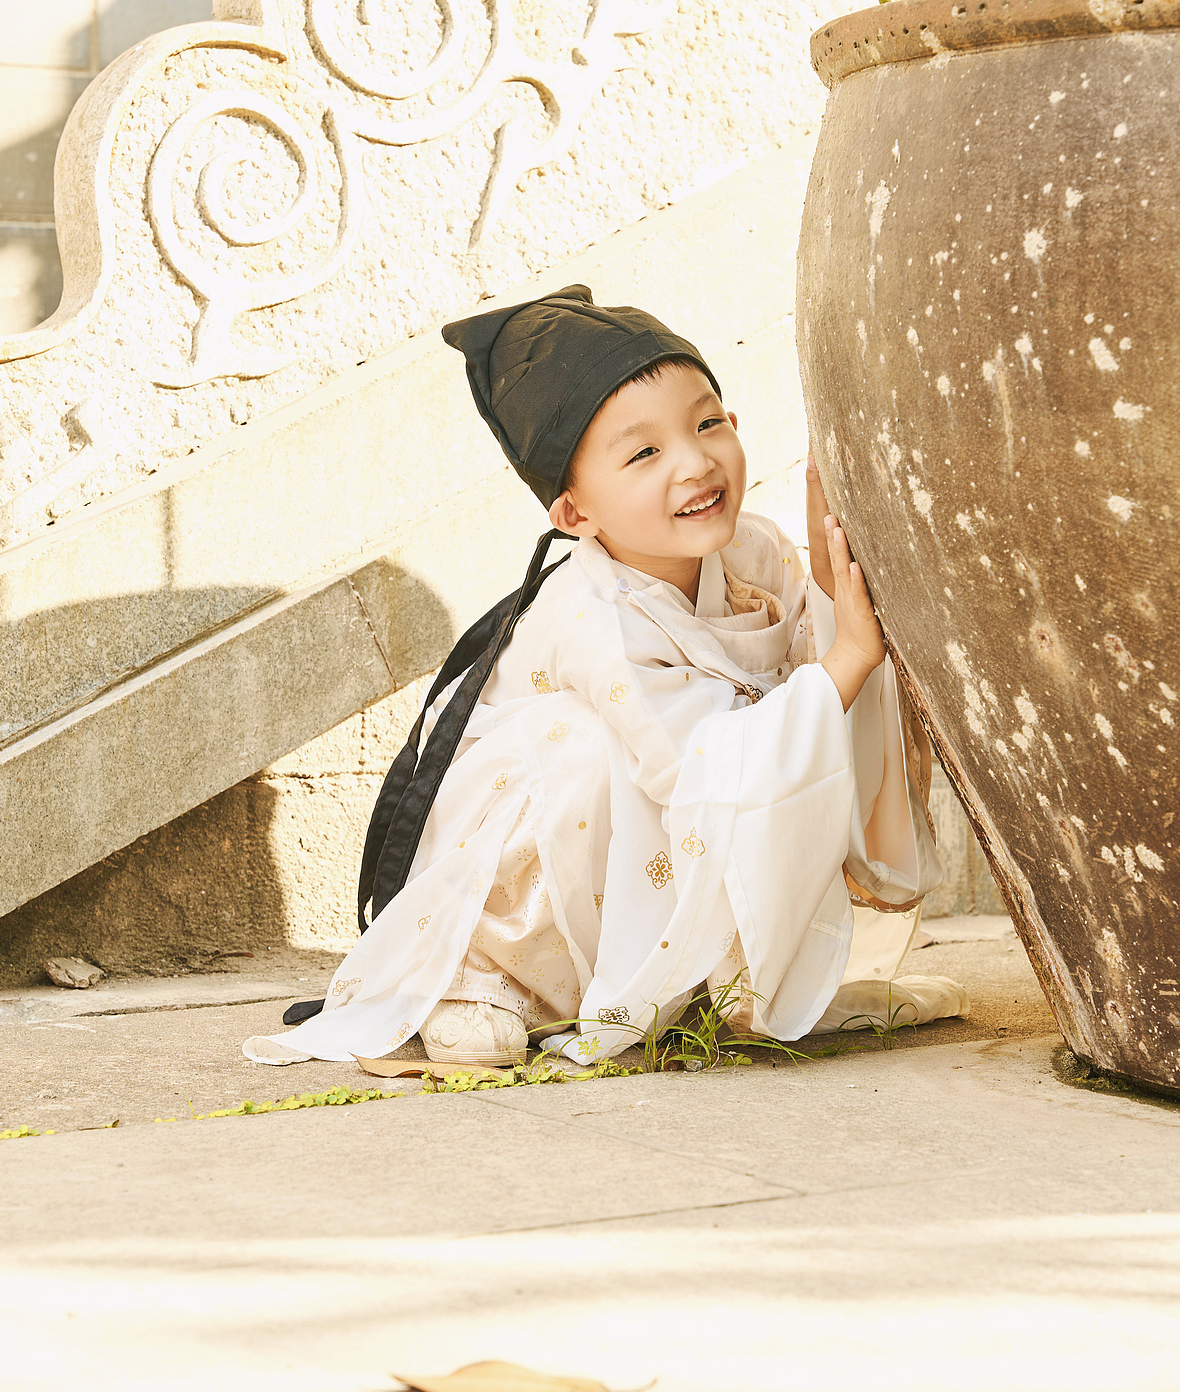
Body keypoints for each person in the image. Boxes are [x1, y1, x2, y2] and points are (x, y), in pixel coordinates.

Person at [244, 286, 964, 1071]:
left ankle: (707, 979)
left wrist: (829, 595)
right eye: (645, 452)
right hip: (556, 850)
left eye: (708, 422)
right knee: (586, 747)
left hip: (654, 845)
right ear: (574, 514)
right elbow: (696, 772)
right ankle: (485, 981)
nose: (696, 462)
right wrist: (846, 662)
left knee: (761, 750)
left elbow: (804, 732)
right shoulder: (590, 613)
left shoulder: (757, 555)